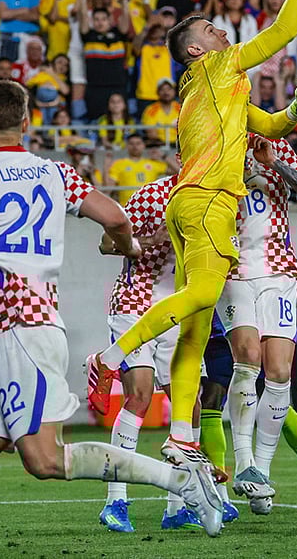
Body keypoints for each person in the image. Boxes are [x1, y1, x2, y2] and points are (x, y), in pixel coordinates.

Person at [0, 80, 224, 556]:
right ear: (27, 122)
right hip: (34, 326)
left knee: (45, 460)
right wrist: (130, 245)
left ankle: (180, 480)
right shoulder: (56, 172)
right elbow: (115, 216)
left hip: (21, 332)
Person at [87, 0, 297, 478]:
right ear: (197, 48)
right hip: (212, 203)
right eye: (213, 30)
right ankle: (108, 357)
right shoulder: (217, 67)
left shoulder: (213, 91)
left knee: (195, 331)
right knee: (199, 297)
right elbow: (284, 29)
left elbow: (272, 126)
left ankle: (178, 437)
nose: (223, 33)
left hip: (188, 203)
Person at [97, 171, 220, 533]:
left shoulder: (215, 197)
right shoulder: (152, 195)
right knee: (139, 394)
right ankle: (115, 501)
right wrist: (153, 239)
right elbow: (106, 243)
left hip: (178, 310)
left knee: (190, 402)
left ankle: (177, 506)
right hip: (134, 305)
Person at [215, 134, 297, 512]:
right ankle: (244, 461)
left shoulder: (276, 147)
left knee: (279, 374)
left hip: (279, 271)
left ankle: (260, 472)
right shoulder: (215, 145)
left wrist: (274, 163)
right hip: (234, 268)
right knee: (247, 357)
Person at [106, 132, 168, 206]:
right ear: (126, 146)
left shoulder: (152, 163)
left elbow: (178, 170)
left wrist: (163, 156)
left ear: (143, 145)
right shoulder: (118, 164)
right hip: (128, 208)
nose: (135, 146)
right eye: (131, 144)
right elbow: (108, 189)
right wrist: (106, 165)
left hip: (150, 206)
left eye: (138, 143)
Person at [140, 78, 181, 146]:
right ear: (157, 92)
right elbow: (151, 133)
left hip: (179, 145)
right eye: (162, 89)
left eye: (169, 89)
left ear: (174, 91)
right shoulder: (151, 110)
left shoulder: (181, 108)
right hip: (159, 145)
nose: (166, 92)